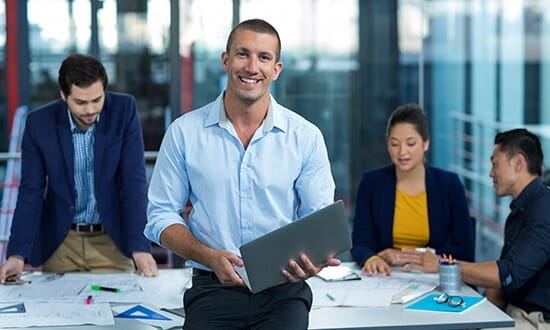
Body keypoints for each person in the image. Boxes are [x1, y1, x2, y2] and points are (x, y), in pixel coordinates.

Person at [145, 19, 339, 329]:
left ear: (276, 69)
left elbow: (318, 220)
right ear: (226, 60)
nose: (252, 67)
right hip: (212, 289)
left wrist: (312, 260)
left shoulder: (305, 137)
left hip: (283, 292)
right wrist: (208, 255)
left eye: (263, 57)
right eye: (242, 54)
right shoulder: (185, 132)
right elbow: (159, 216)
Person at [0, 54, 158, 282]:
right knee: (60, 314)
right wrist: (16, 254)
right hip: (62, 242)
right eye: (81, 102)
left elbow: (133, 183)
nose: (91, 109)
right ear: (64, 95)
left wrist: (140, 247)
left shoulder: (123, 110)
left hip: (111, 240)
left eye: (97, 100)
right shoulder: (39, 123)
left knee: (118, 312)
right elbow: (30, 191)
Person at [406, 128, 550, 329]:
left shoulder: (544, 209)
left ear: (519, 163)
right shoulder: (520, 211)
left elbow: (509, 275)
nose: (491, 173)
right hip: (512, 311)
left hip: (535, 321)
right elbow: (500, 286)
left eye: (495, 164)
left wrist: (443, 266)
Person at [351, 103, 474, 276]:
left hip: (434, 277)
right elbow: (360, 244)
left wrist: (416, 256)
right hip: (386, 276)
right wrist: (372, 259)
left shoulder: (449, 184)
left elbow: (465, 251)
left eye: (410, 143)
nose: (402, 152)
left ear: (425, 143)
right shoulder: (372, 183)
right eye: (394, 144)